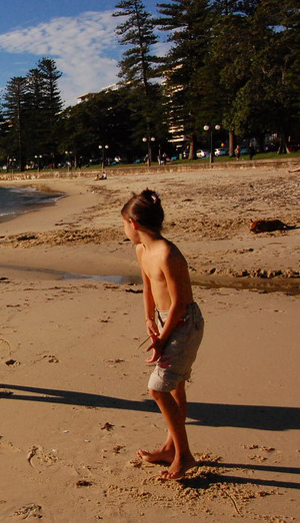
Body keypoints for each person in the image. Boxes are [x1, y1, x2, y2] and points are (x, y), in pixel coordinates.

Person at [121, 190, 205, 480]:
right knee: (175, 387)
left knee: (157, 388)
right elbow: (147, 287)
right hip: (164, 319)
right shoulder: (142, 250)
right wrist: (148, 320)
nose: (123, 230)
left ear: (133, 223)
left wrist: (163, 338)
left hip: (184, 324)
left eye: (123, 224)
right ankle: (171, 448)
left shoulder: (169, 254)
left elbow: (180, 304)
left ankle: (184, 455)